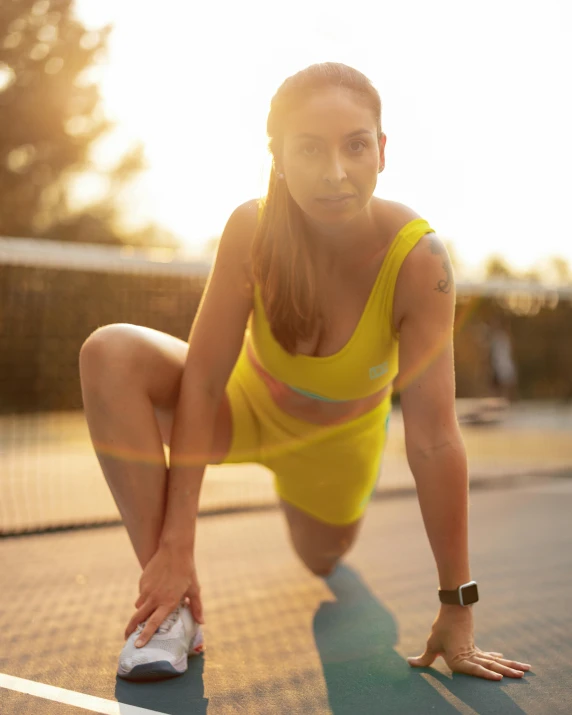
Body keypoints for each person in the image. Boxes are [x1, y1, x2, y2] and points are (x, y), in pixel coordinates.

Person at [79, 62, 531, 683]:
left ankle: (300, 512)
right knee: (110, 351)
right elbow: (204, 380)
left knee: (321, 558)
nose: (335, 172)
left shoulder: (419, 260)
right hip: (242, 411)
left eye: (355, 145)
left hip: (335, 451)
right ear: (280, 157)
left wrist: (457, 603)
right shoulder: (252, 226)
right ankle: (171, 609)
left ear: (382, 150)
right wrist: (177, 544)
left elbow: (434, 438)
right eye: (310, 148)